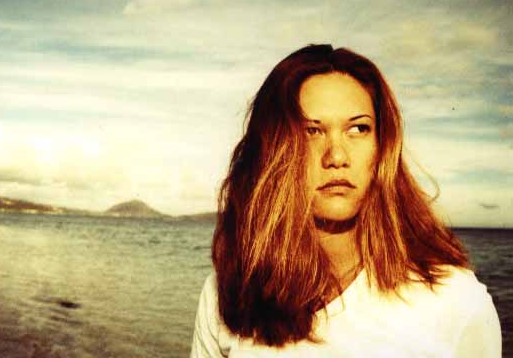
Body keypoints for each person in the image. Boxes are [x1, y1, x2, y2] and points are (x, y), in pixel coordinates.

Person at [190, 44, 501, 357]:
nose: (336, 156)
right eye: (311, 131)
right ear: (273, 150)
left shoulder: (456, 301)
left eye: (358, 128)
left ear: (382, 146)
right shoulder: (227, 297)